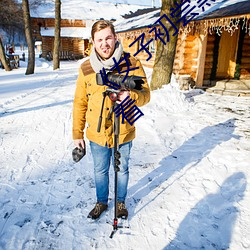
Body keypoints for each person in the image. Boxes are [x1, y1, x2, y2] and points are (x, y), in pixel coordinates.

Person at [72, 20, 150, 220]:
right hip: (97, 133)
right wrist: (77, 134)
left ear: (115, 38)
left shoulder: (132, 64)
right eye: (99, 40)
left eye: (108, 38)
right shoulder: (87, 68)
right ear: (93, 42)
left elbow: (145, 95)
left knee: (122, 168)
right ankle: (101, 202)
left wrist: (130, 96)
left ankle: (121, 202)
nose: (104, 43)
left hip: (124, 129)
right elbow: (80, 102)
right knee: (100, 170)